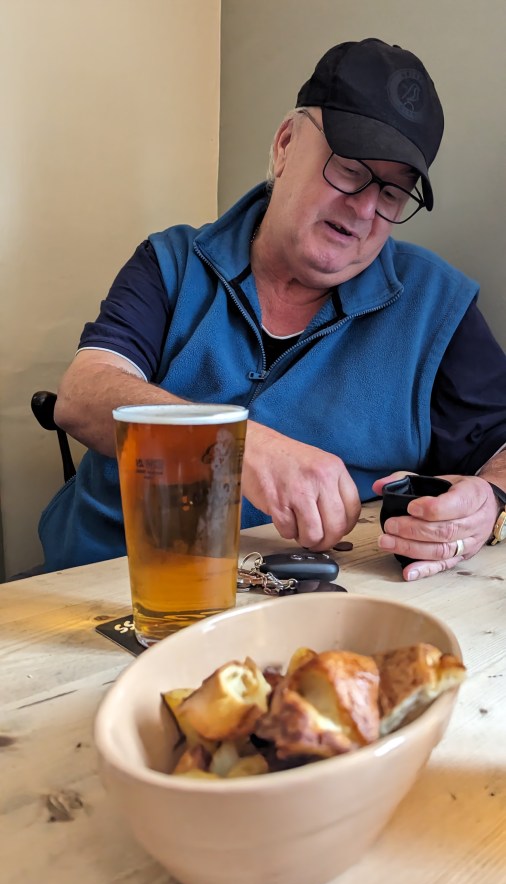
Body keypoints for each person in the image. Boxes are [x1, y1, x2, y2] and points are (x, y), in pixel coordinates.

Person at [39, 37, 506, 581]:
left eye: (392, 194)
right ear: (285, 145)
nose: (363, 209)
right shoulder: (172, 261)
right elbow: (83, 394)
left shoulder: (436, 303)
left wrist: (489, 500)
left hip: (303, 606)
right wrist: (230, 447)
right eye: (350, 170)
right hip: (104, 583)